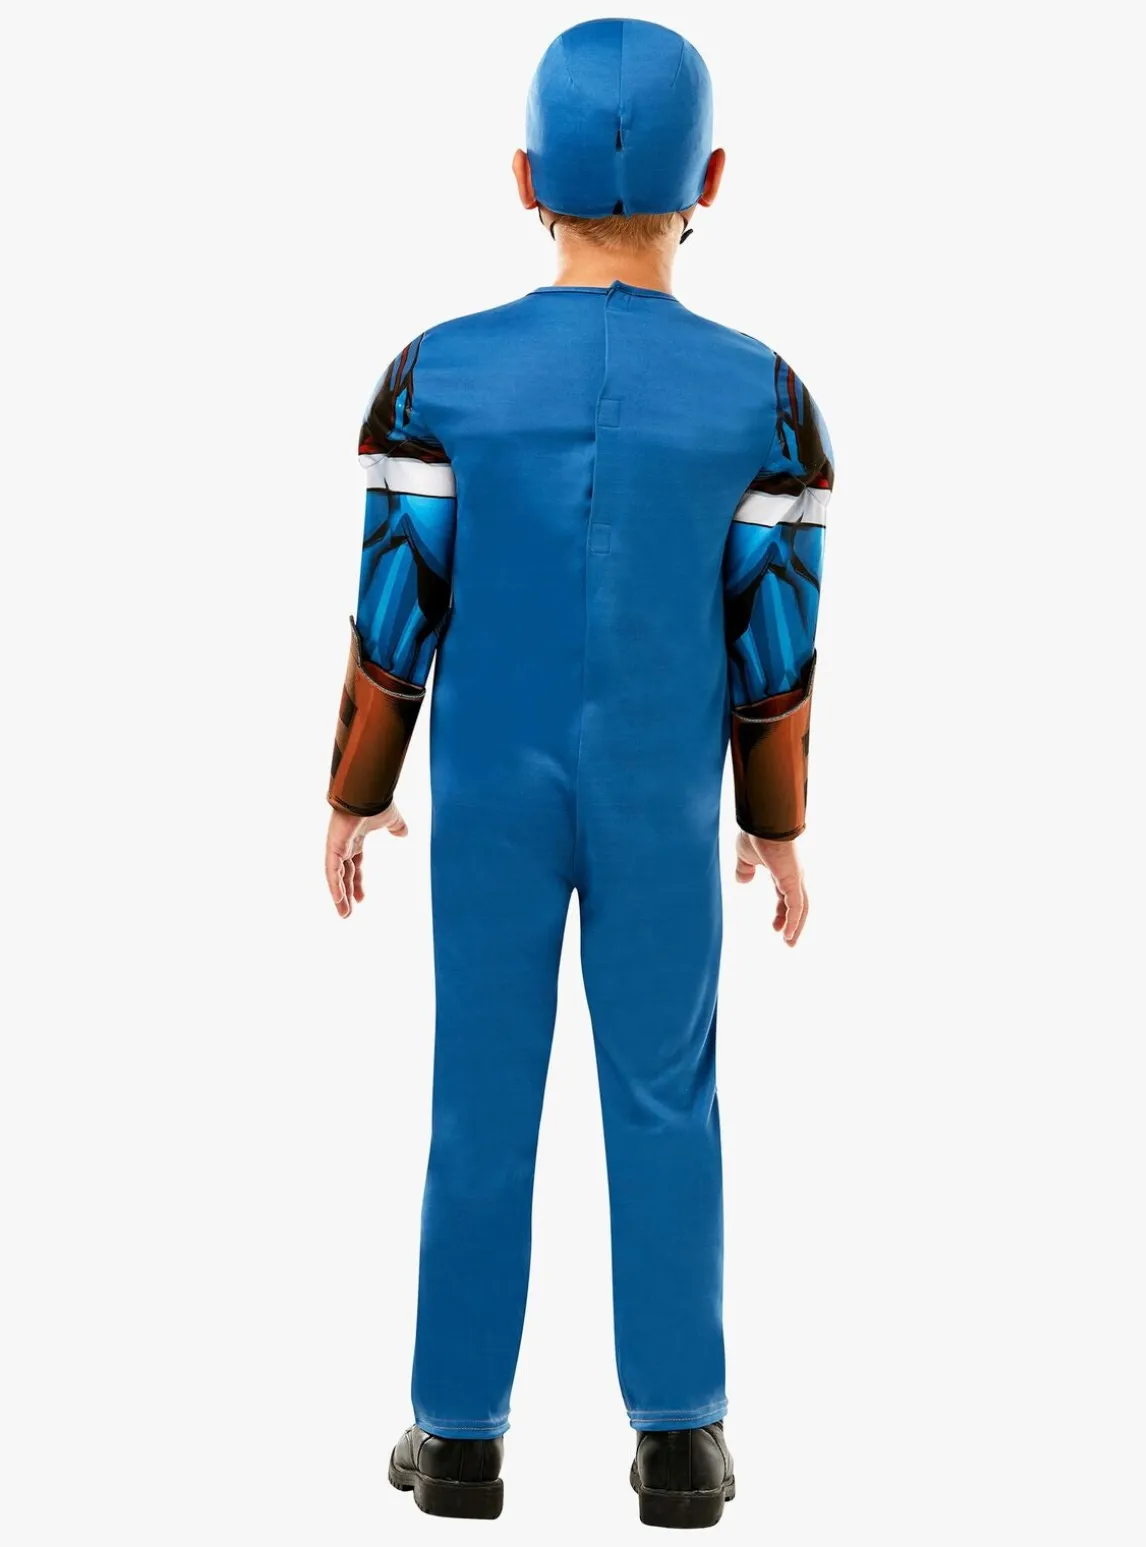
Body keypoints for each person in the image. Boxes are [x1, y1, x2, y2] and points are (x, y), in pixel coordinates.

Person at [323, 18, 833, 1529]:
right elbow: (776, 635)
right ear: (713, 180)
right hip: (661, 800)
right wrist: (776, 823)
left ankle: (456, 1436)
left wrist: (355, 787)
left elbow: (398, 594)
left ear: (522, 178)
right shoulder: (769, 399)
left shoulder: (434, 376)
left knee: (478, 1092)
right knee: (666, 1092)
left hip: (489, 788)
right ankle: (682, 1440)